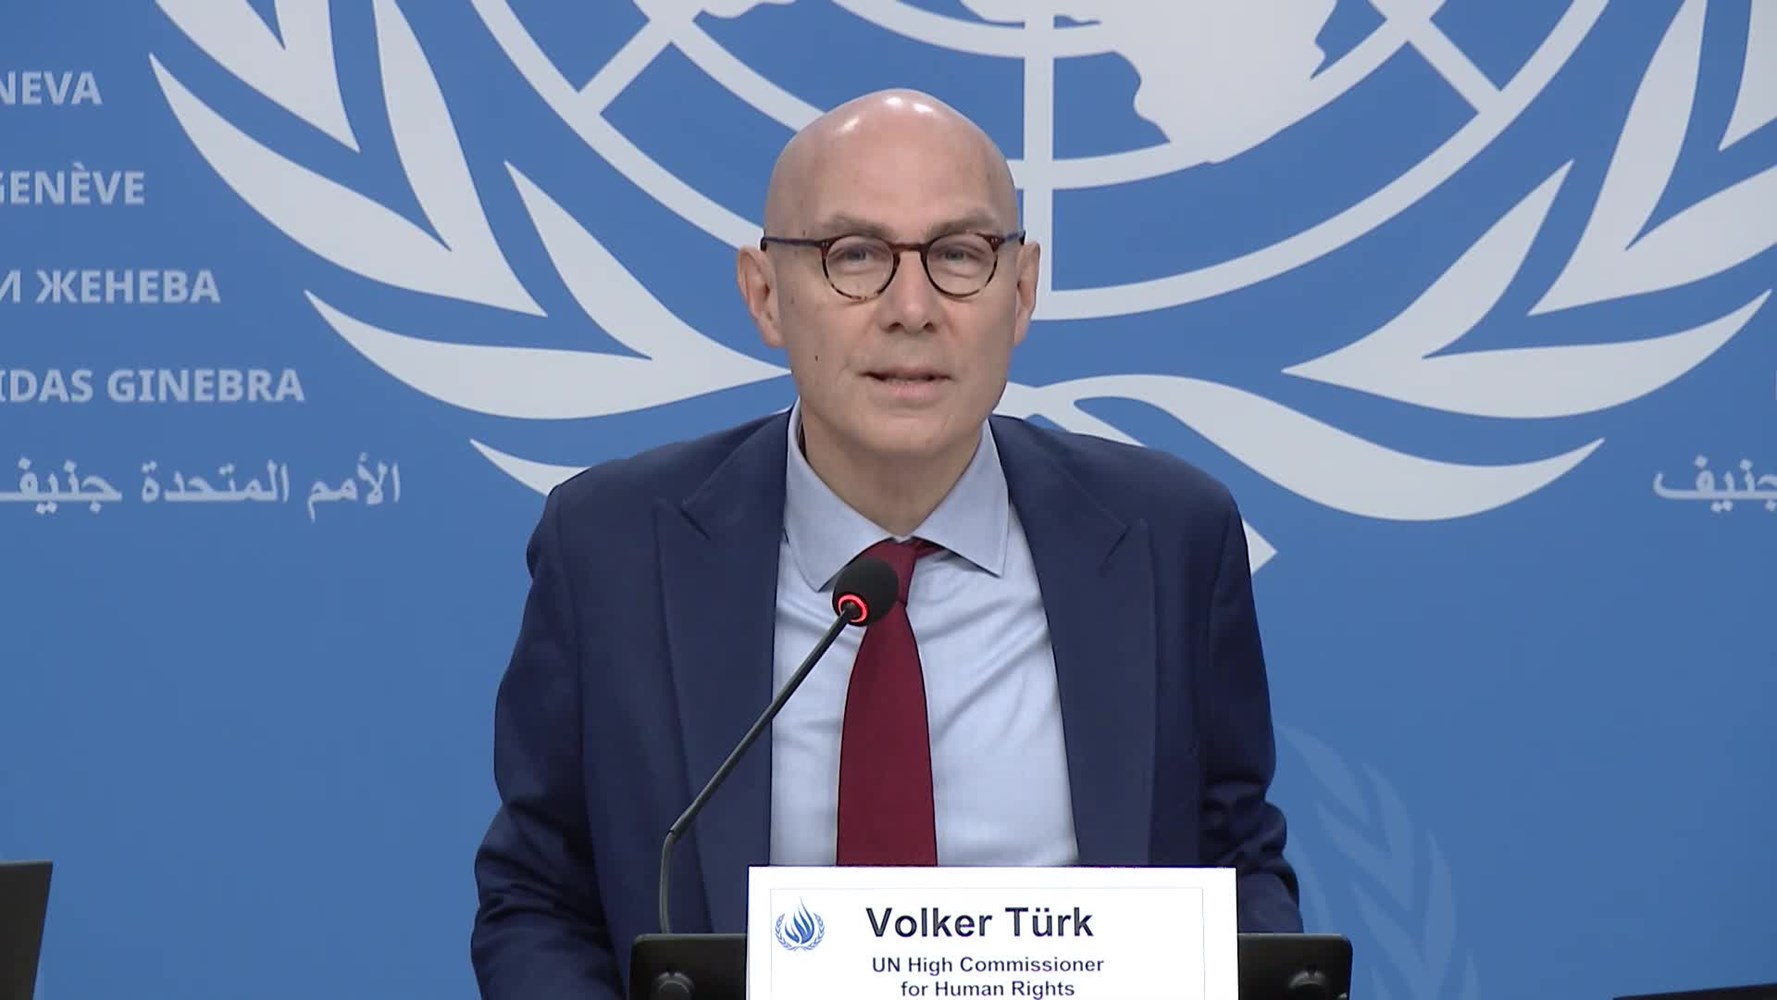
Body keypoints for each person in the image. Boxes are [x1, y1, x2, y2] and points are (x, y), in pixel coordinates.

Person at [470, 88, 1300, 999]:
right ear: (764, 295)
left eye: (959, 254)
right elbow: (539, 899)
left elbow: (1235, 865)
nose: (912, 307)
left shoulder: (1168, 539)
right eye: (854, 255)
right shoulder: (614, 550)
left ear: (1021, 291)